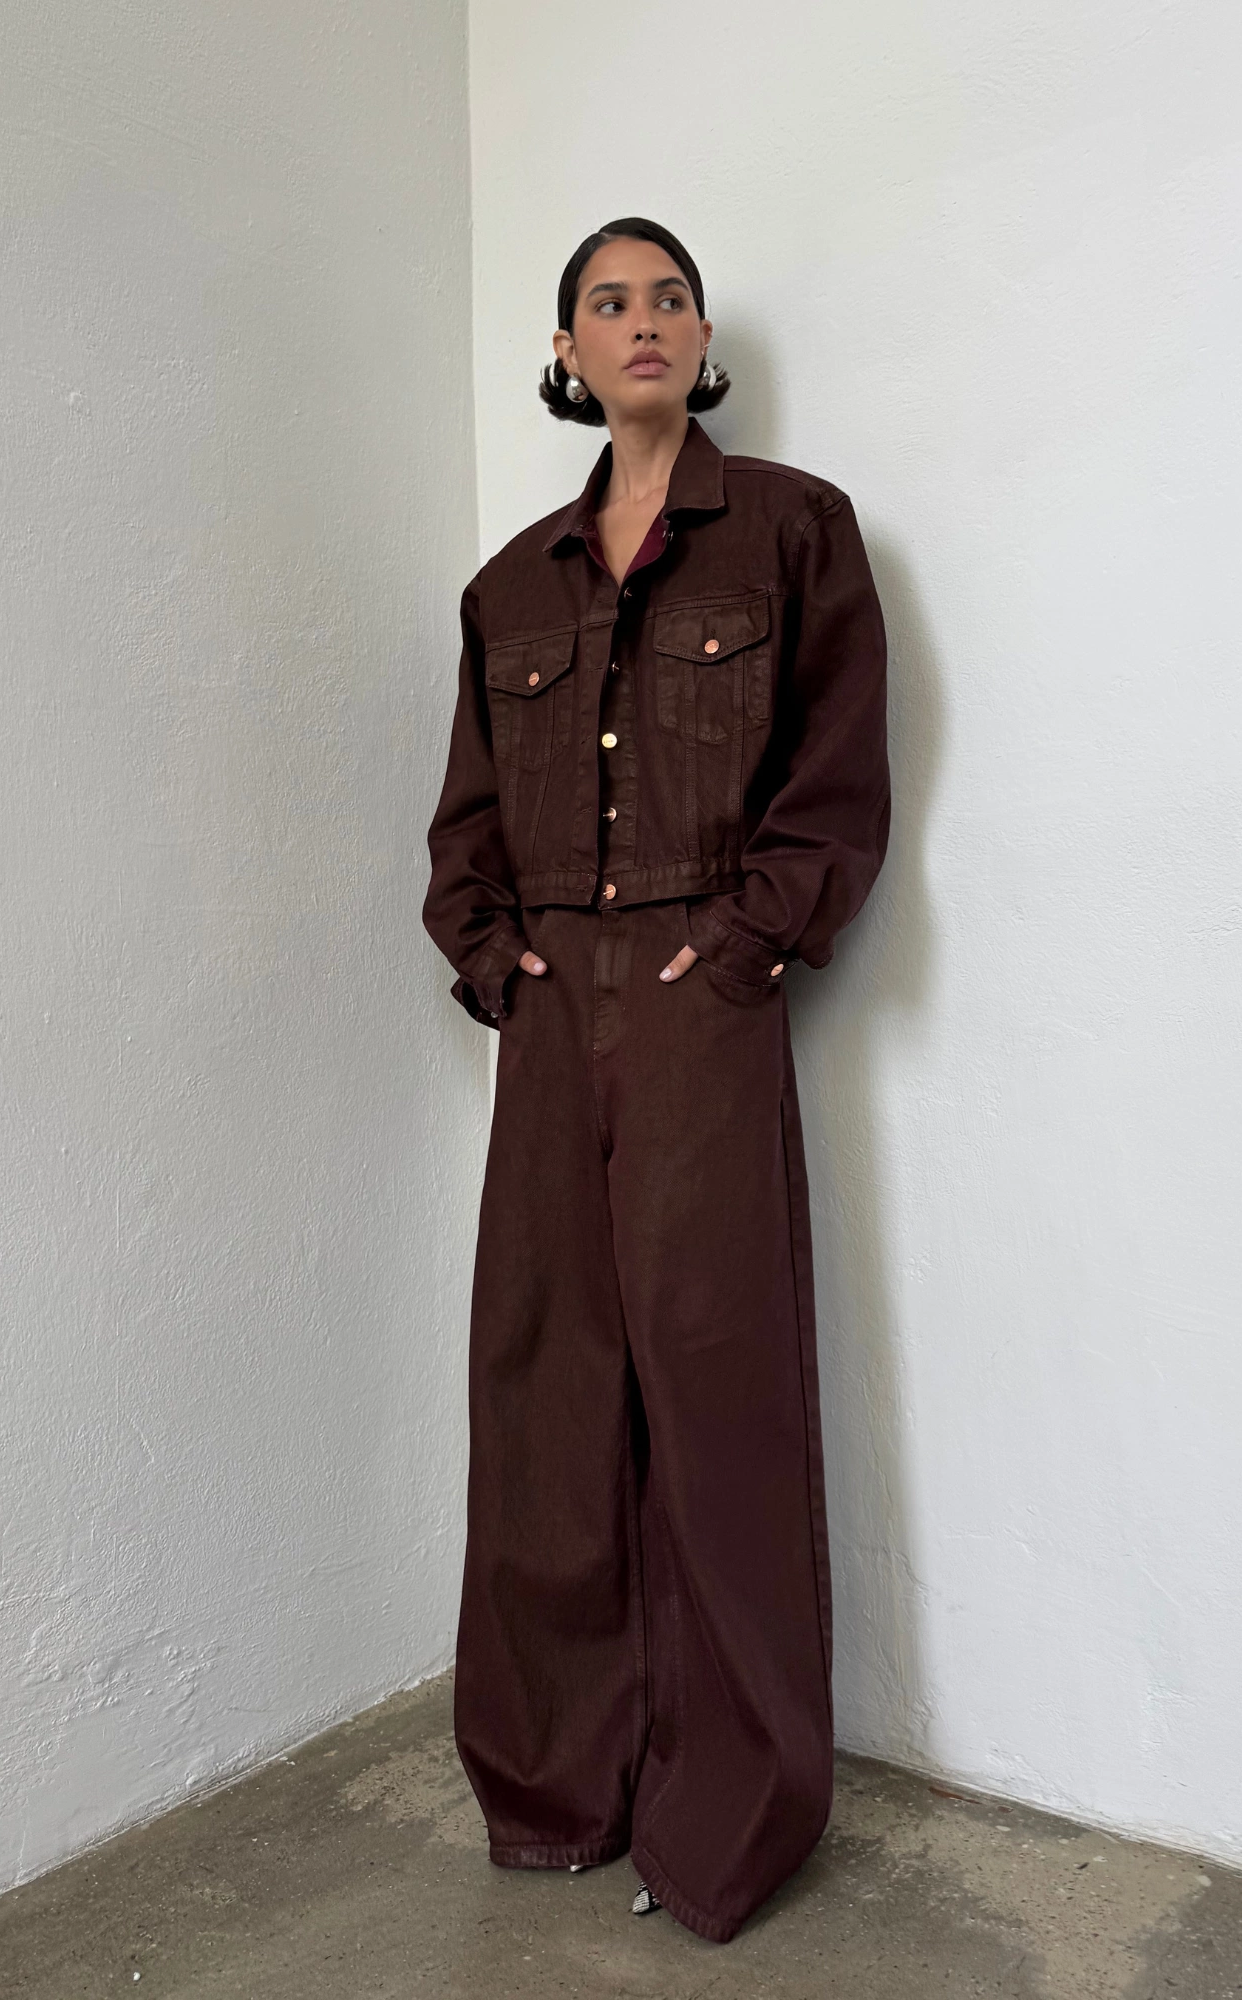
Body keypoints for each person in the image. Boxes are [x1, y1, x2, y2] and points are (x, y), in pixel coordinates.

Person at [422, 216, 891, 1945]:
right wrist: (497, 963)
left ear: (701, 342)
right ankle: (554, 1791)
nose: (644, 322)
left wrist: (746, 948)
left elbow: (837, 776)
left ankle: (730, 1819)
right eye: (609, 303)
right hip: (553, 1011)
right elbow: (465, 823)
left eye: (669, 299)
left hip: (701, 995)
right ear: (566, 350)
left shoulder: (793, 529)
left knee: (716, 1383)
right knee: (543, 1385)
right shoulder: (508, 590)